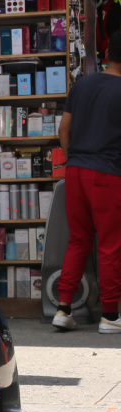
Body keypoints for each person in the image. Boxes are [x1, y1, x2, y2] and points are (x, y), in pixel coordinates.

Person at [54, 28, 121, 334]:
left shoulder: (82, 85)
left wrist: (72, 161)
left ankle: (64, 308)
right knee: (110, 246)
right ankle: (110, 315)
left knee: (78, 240)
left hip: (76, 171)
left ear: (107, 55)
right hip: (108, 174)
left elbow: (63, 129)